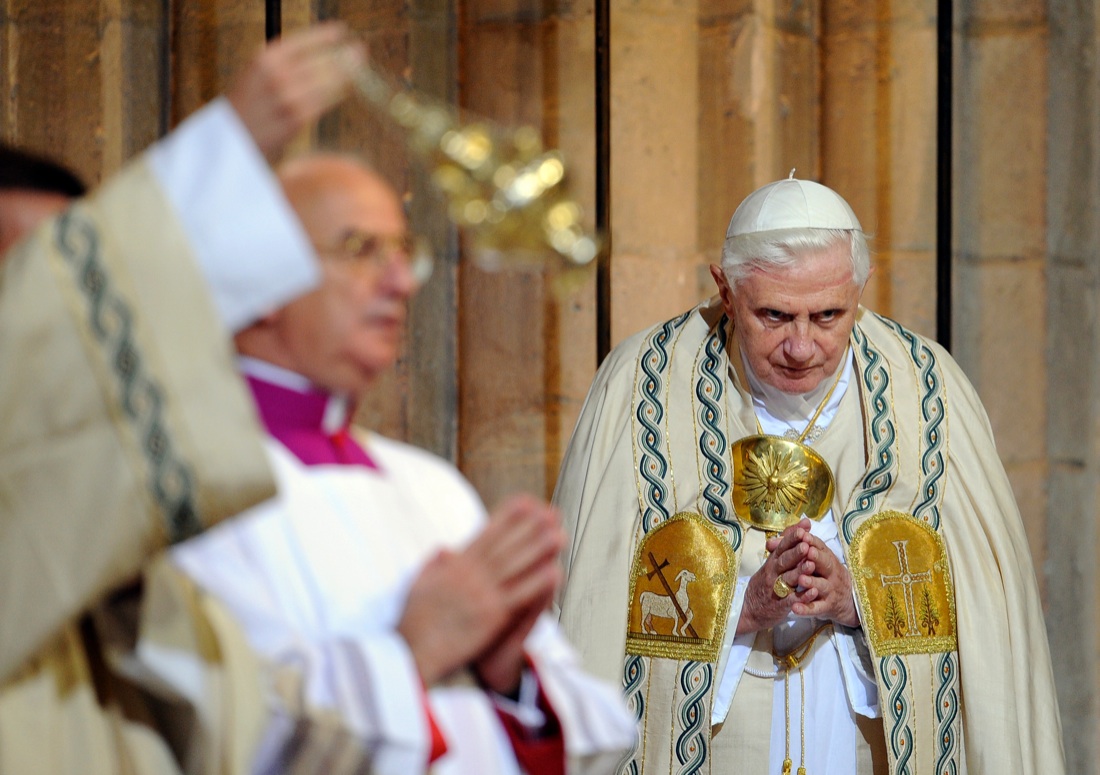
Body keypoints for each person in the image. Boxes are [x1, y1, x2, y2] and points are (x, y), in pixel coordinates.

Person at [552, 175, 1066, 773]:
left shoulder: (928, 391)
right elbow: (591, 607)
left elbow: (986, 621)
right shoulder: (644, 385)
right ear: (724, 287)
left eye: (827, 315)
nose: (801, 346)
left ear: (861, 288)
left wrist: (857, 602)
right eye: (774, 315)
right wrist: (741, 610)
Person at [171, 153, 637, 775]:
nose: (400, 281)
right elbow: (219, 728)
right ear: (258, 281)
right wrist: (413, 651)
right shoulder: (179, 490)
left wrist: (508, 673)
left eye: (402, 253)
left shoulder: (431, 488)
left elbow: (601, 730)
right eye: (361, 249)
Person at [0, 24, 381, 773]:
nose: (59, 322)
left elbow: (257, 724)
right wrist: (225, 159)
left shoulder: (126, 557)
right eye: (26, 283)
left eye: (70, 273)